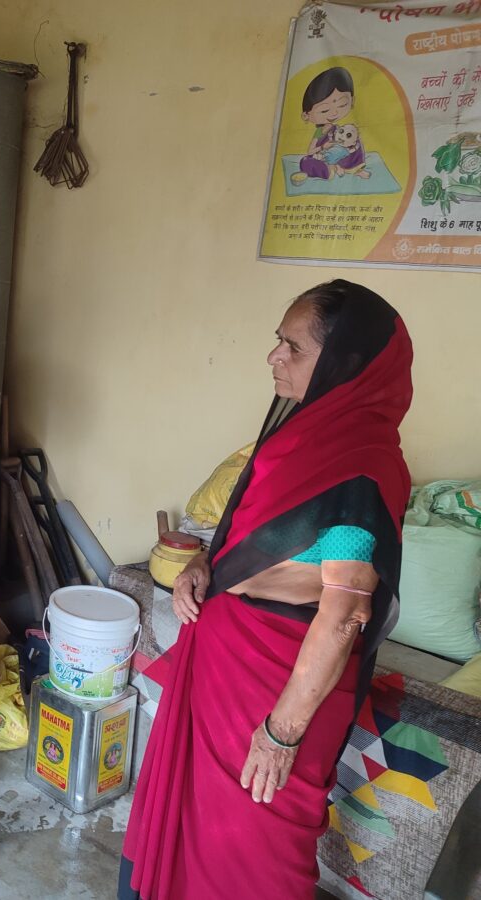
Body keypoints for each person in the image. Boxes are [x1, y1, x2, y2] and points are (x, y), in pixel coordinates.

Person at [118, 280, 413, 899]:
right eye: (278, 341)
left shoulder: (360, 469)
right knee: (195, 825)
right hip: (225, 663)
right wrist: (206, 566)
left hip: (279, 691)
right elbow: (253, 540)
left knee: (256, 851)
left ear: (344, 363)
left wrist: (281, 735)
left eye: (293, 347)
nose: (274, 356)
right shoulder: (299, 440)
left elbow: (343, 614)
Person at [291, 67, 371, 184]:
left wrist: (348, 141)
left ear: (352, 101)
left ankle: (356, 168)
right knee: (305, 161)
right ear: (306, 115)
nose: (334, 113)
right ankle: (328, 170)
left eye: (342, 105)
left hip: (344, 158)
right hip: (324, 158)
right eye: (324, 110)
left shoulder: (337, 128)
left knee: (355, 137)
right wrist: (324, 147)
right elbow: (310, 152)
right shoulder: (320, 132)